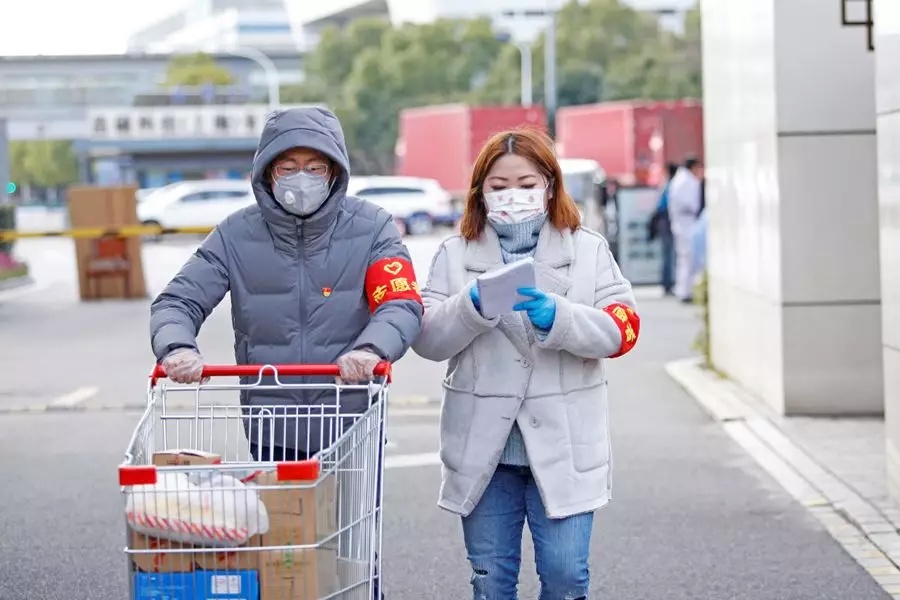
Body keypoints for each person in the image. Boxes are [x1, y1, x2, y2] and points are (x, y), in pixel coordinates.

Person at [150, 107, 423, 598]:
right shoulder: (236, 235)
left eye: (315, 167)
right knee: (283, 554)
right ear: (267, 172)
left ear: (334, 171)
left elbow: (400, 304)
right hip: (272, 422)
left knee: (351, 553)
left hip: (350, 425)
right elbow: (178, 299)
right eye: (287, 166)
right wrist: (176, 346)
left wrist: (370, 348)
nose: (302, 178)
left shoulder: (373, 228)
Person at [412, 127, 641, 599]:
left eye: (525, 184)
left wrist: (559, 317)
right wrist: (471, 306)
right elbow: (428, 339)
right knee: (491, 582)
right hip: (485, 450)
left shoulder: (587, 249)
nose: (512, 196)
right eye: (498, 187)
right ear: (479, 193)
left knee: (565, 576)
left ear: (550, 185)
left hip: (566, 444)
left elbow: (622, 329)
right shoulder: (454, 255)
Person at [667, 155, 704, 303]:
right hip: (686, 224)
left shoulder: (680, 180)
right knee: (688, 259)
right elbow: (692, 204)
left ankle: (684, 289)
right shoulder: (687, 181)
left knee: (684, 259)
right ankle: (685, 291)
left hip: (681, 224)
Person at [648, 162, 679, 296]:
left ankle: (667, 283)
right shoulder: (672, 186)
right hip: (667, 222)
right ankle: (667, 284)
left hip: (663, 222)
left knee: (667, 254)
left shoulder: (666, 185)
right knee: (669, 254)